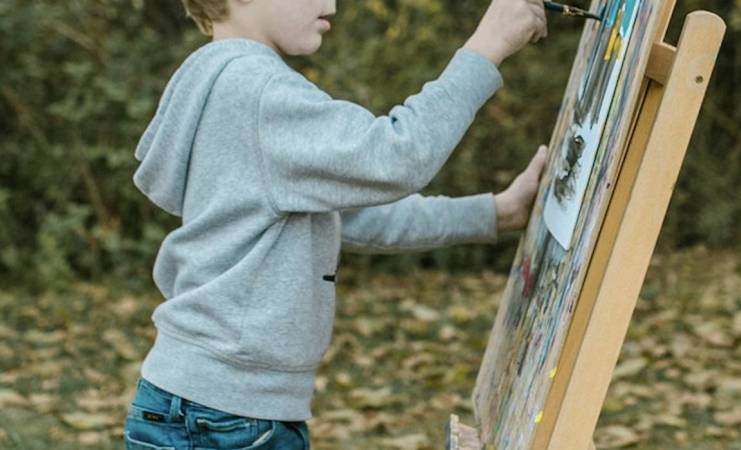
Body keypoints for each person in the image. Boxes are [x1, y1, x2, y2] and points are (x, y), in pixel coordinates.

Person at [123, 0, 549, 448]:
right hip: (224, 417)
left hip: (209, 406)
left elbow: (355, 219)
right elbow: (396, 156)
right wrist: (486, 46)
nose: (332, 4)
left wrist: (494, 213)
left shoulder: (220, 81)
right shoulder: (259, 90)